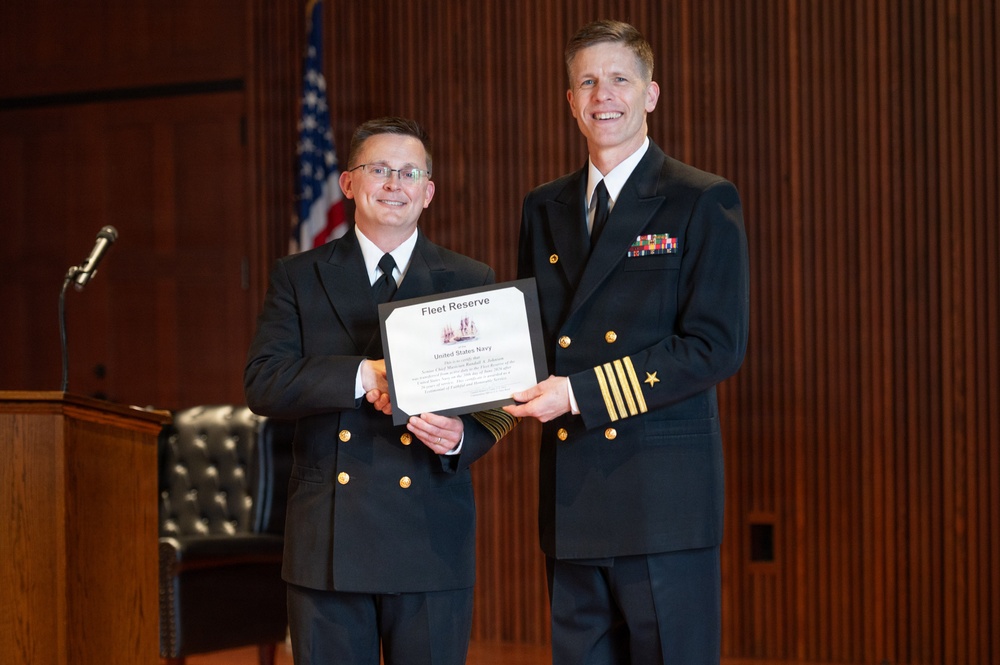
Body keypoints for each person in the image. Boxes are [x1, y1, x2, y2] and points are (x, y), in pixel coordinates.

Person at [504, 20, 749, 665]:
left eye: (619, 79)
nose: (602, 94)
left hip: (661, 501)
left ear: (651, 94)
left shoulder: (701, 200)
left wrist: (580, 393)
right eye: (586, 81)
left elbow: (713, 347)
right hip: (572, 497)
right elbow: (527, 340)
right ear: (570, 101)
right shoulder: (543, 207)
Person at [245, 116, 517, 665]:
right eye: (380, 169)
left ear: (428, 192)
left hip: (430, 536)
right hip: (329, 542)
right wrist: (365, 376)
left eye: (409, 172)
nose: (395, 183)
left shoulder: (469, 278)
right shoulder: (298, 276)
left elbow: (499, 401)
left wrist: (462, 437)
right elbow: (263, 382)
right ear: (348, 183)